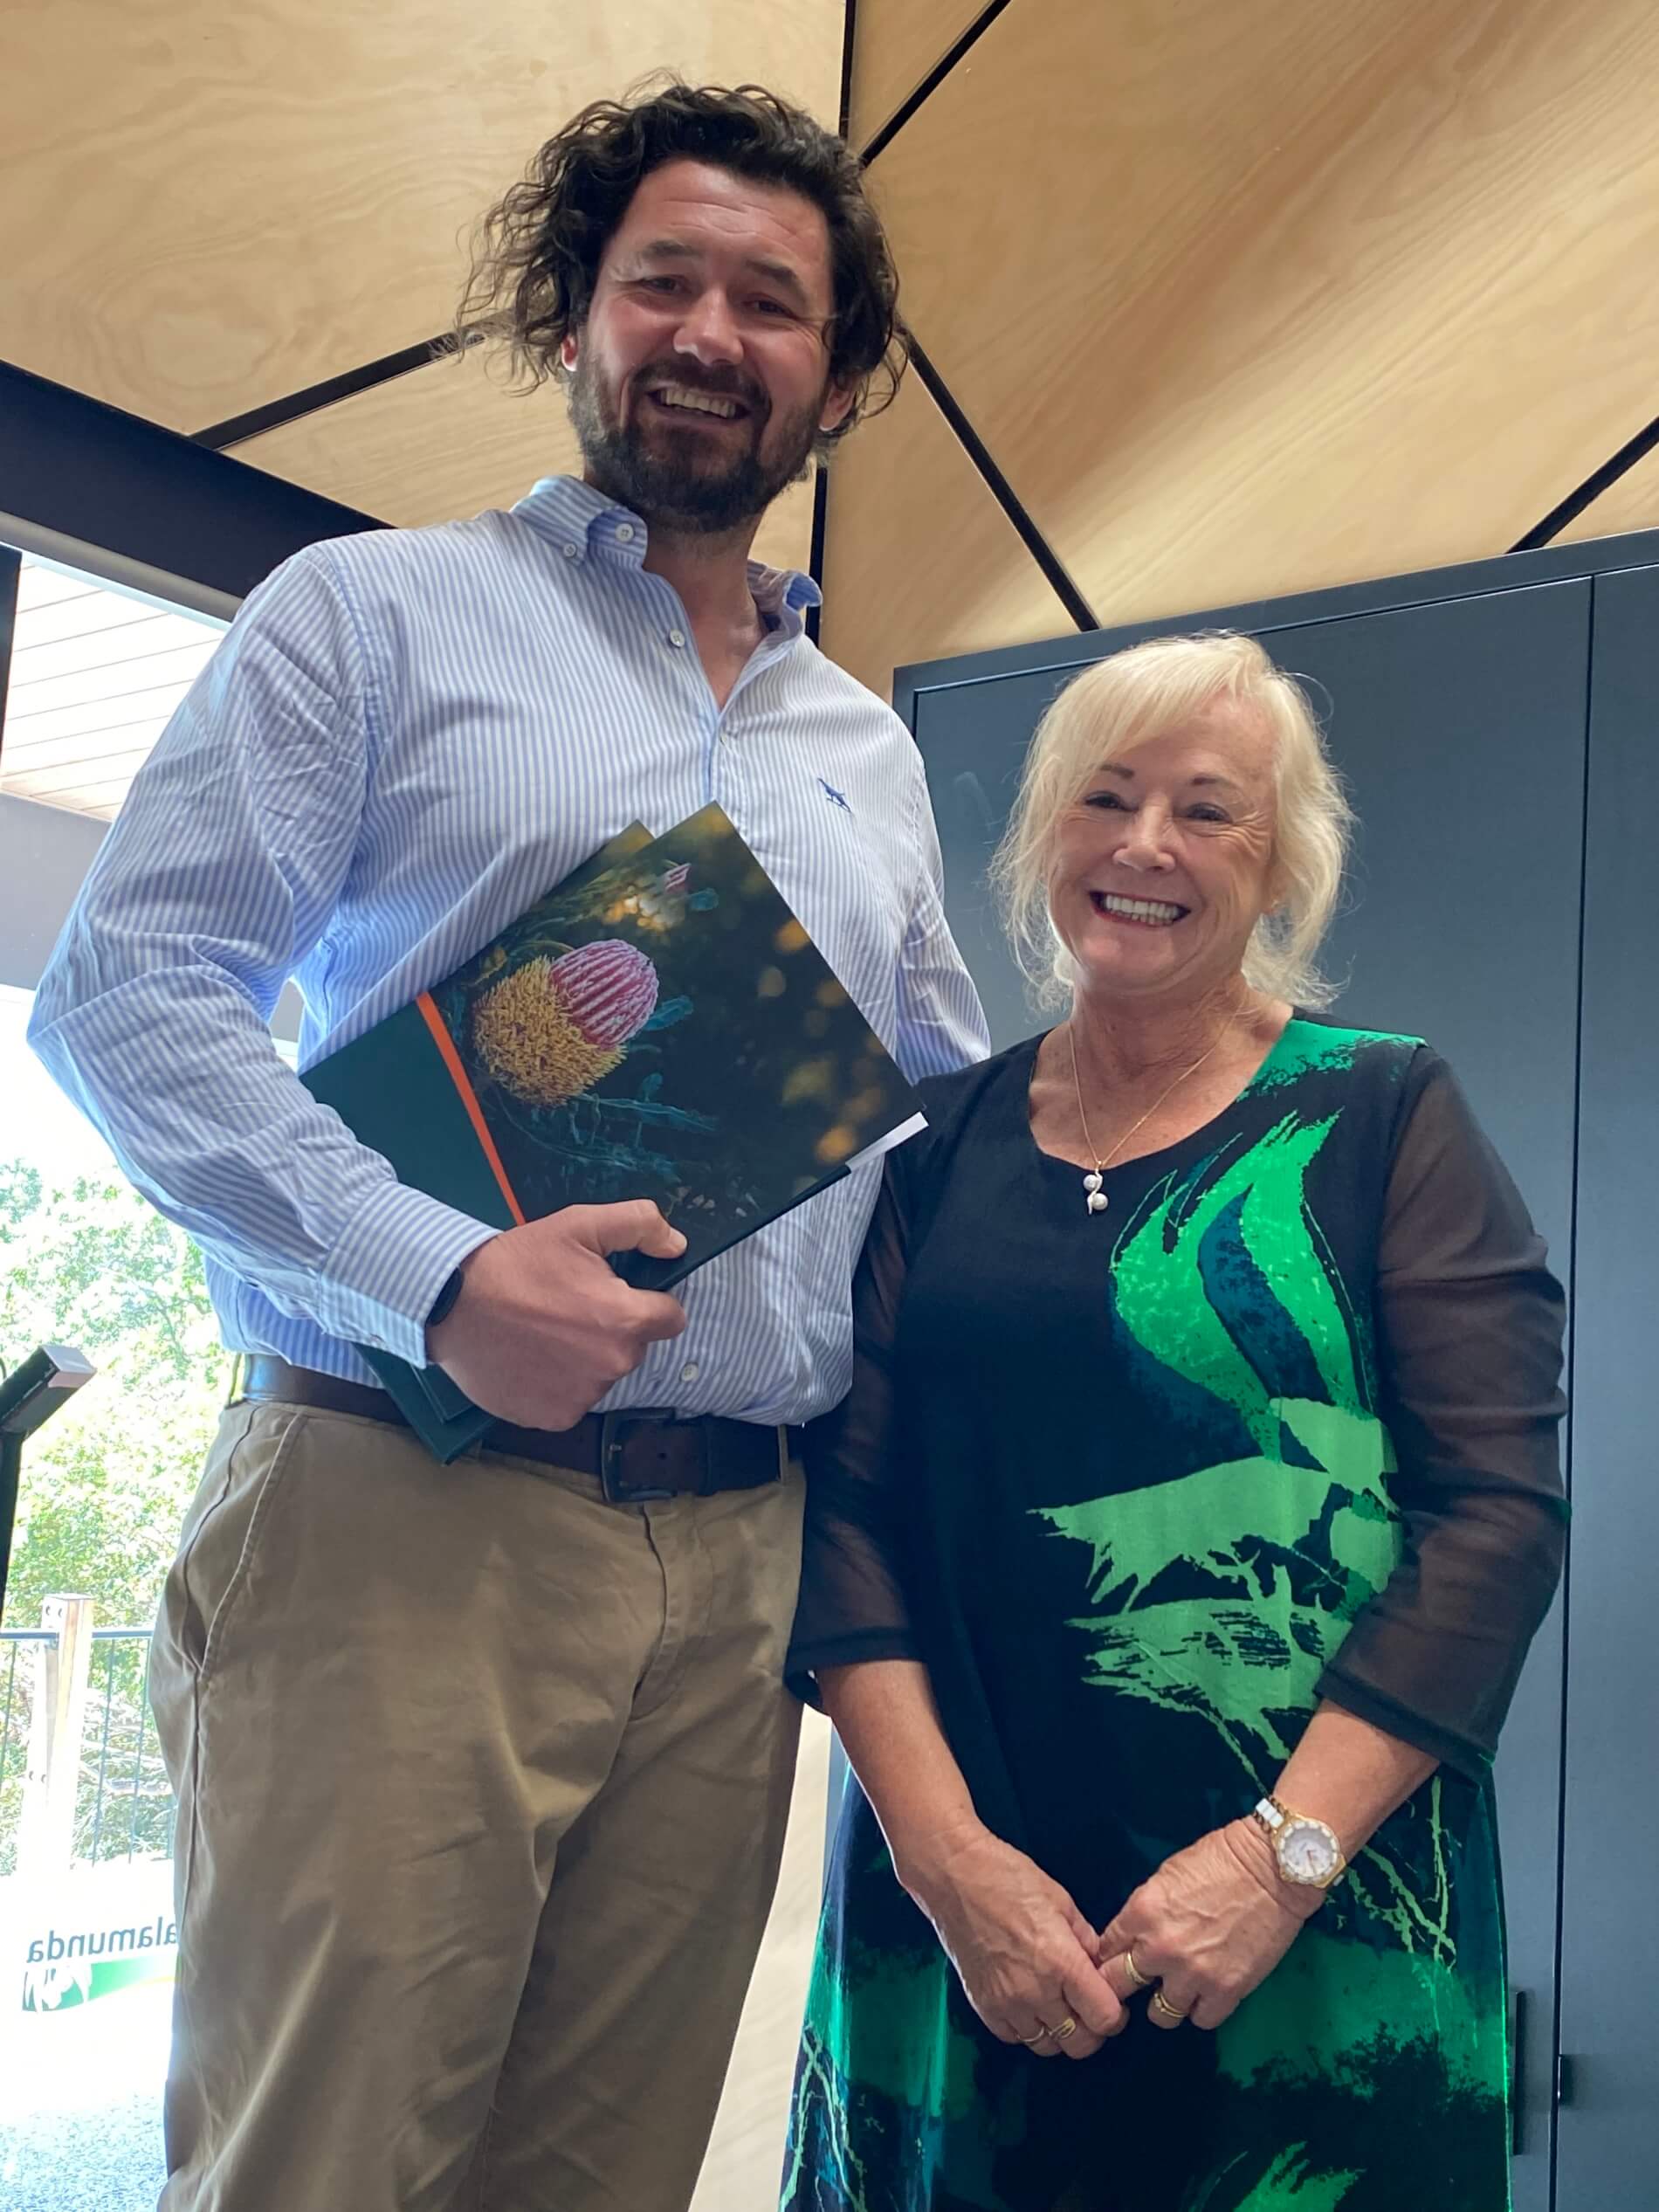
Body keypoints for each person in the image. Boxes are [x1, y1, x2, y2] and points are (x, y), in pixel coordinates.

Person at [29, 81, 988, 2212]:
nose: (710, 333)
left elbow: (933, 1108)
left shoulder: (867, 749)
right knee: (320, 2171)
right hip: (394, 1513)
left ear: (835, 378)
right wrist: (441, 1274)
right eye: (662, 280)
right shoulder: (363, 615)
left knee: (603, 2184)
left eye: (771, 299)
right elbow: (128, 1001)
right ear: (572, 317)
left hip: (738, 1563)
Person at [782, 632, 1566, 2211]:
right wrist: (951, 1872)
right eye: (1106, 796)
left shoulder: (1389, 1112)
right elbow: (844, 1519)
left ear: (1279, 865)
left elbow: (1496, 1518)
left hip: (1312, 1918)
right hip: (967, 1920)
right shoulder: (930, 1148)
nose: (1145, 845)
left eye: (1207, 811)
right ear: (1044, 838)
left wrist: (1272, 1860)